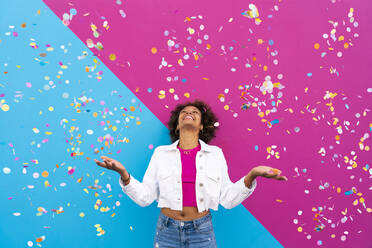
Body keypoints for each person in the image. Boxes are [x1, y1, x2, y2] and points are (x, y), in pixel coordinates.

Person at [94, 99, 288, 248]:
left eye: (195, 112)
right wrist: (124, 174)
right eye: (184, 112)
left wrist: (252, 175)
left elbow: (227, 199)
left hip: (201, 231)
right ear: (177, 125)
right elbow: (146, 197)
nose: (189, 113)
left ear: (202, 125)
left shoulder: (215, 154)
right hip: (166, 230)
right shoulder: (161, 153)